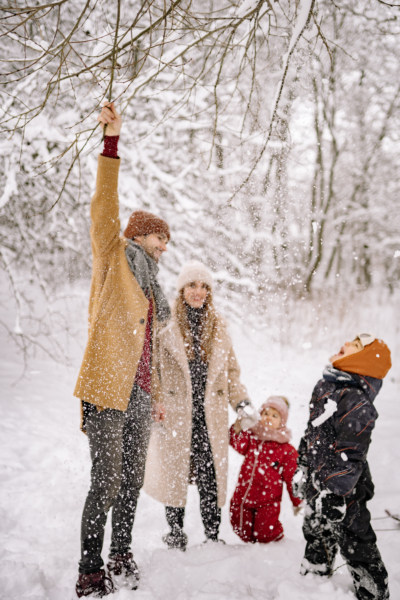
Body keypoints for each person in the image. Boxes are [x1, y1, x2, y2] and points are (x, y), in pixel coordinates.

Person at [74, 103, 171, 598]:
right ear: (138, 236)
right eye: (159, 237)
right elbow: (103, 206)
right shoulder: (113, 258)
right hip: (106, 390)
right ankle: (90, 567)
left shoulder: (155, 290)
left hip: (136, 395)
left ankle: (121, 552)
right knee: (106, 482)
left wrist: (152, 391)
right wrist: (112, 144)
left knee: (131, 483)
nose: (164, 247)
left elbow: (148, 348)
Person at [143, 261, 258, 550]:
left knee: (211, 477)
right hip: (176, 414)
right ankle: (175, 533)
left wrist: (242, 404)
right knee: (175, 476)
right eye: (192, 285)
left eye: (204, 286)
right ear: (182, 290)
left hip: (210, 417)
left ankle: (212, 536)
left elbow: (231, 375)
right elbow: (152, 369)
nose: (198, 291)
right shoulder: (165, 326)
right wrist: (154, 401)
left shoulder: (219, 329)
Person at [293, 333, 392, 600]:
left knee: (354, 537)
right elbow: (312, 431)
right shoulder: (326, 385)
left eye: (356, 346)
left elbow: (352, 453)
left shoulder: (355, 400)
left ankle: (373, 590)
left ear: (362, 362)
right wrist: (303, 464)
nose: (346, 343)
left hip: (346, 486)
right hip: (320, 478)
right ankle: (314, 575)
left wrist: (336, 493)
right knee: (316, 529)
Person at [229, 396, 302, 543]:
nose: (268, 417)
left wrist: (297, 501)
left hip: (268, 501)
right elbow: (238, 444)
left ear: (282, 422)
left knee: (265, 533)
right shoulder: (252, 437)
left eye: (275, 416)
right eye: (266, 413)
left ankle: (277, 544)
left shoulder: (286, 449)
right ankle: (250, 551)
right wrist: (238, 427)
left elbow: (292, 478)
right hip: (244, 496)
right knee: (239, 525)